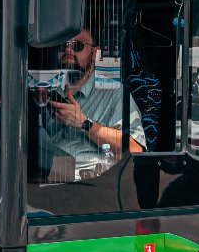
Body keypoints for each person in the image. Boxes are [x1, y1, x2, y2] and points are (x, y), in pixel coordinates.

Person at [34, 27, 146, 182]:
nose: (68, 50)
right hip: (50, 181)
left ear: (94, 53)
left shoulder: (113, 93)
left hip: (91, 188)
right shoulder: (49, 92)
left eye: (77, 45)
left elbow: (136, 150)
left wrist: (84, 124)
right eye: (63, 45)